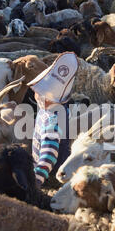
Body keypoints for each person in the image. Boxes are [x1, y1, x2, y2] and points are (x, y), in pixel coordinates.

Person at [27, 52, 79, 188]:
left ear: (47, 98)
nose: (35, 93)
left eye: (38, 92)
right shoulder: (49, 109)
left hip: (51, 178)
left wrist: (36, 181)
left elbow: (49, 156)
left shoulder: (53, 121)